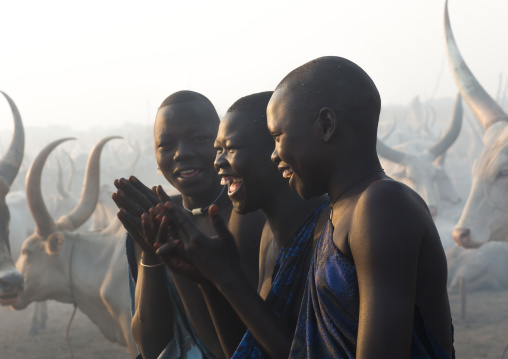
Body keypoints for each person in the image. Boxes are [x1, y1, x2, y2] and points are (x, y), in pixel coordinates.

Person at [266, 56, 454, 358]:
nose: (274, 155)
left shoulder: (381, 205)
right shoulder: (336, 213)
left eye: (277, 137)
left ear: (326, 125)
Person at [151, 91, 329, 359]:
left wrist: (225, 278)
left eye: (231, 149)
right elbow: (246, 350)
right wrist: (206, 281)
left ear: (277, 151)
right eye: (218, 150)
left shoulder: (328, 234)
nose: (218, 162)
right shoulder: (271, 232)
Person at [112, 90, 266, 359]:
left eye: (199, 139)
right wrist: (151, 253)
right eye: (166, 145)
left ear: (222, 145)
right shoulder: (153, 221)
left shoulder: (250, 215)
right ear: (156, 158)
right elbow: (150, 347)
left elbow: (235, 346)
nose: (182, 153)